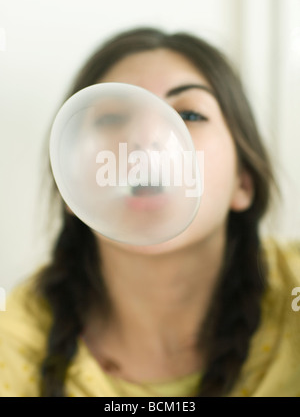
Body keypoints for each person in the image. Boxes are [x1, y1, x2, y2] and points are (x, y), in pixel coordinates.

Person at [1, 27, 300, 398]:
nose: (147, 139)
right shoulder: (13, 341)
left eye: (189, 114)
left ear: (243, 183)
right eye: (111, 118)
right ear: (70, 181)